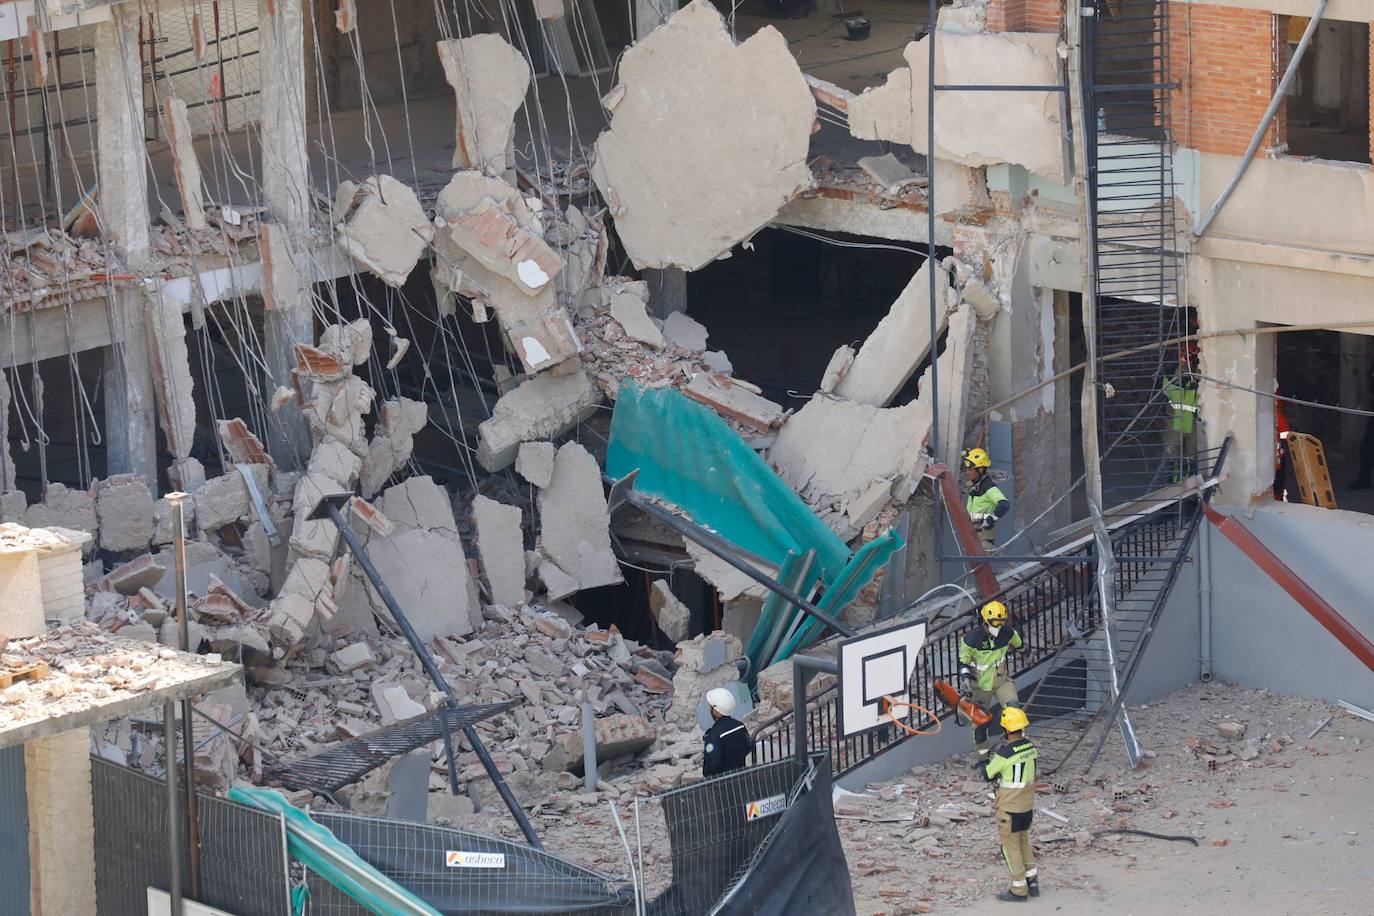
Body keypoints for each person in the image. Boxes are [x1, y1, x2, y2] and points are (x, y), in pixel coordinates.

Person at [981, 707, 1040, 902]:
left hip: (1009, 810)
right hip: (1026, 807)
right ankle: (1032, 882)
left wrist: (982, 763)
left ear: (1006, 730)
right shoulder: (1031, 748)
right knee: (1024, 842)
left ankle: (1018, 890)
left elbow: (988, 774)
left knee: (1010, 848)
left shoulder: (1004, 754)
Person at [958, 600, 1023, 759]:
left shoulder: (1007, 633)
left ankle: (1017, 747)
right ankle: (982, 757)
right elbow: (963, 661)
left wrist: (1026, 654)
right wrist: (966, 679)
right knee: (980, 724)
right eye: (995, 624)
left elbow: (1019, 645)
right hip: (980, 686)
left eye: (1001, 623)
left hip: (1001, 681)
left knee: (1014, 710)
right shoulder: (972, 639)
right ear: (985, 622)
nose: (998, 627)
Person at [963, 448, 1010, 550]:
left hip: (984, 537)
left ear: (980, 470)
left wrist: (990, 520)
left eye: (970, 470)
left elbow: (1004, 504)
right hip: (974, 534)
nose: (967, 472)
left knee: (984, 563)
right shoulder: (975, 485)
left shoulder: (989, 487)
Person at [702, 687, 753, 777]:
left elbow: (712, 765)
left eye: (711, 706)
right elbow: (748, 747)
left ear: (716, 711)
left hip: (723, 784)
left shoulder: (713, 735)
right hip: (741, 777)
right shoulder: (739, 726)